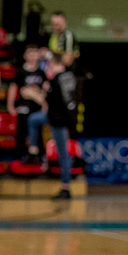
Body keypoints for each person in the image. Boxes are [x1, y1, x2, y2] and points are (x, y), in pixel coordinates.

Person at [44, 52, 78, 200]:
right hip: (62, 119)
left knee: (63, 153)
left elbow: (52, 100)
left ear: (53, 63)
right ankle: (35, 152)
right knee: (33, 120)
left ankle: (65, 187)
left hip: (58, 121)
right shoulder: (68, 77)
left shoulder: (57, 79)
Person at [9, 44, 48, 155]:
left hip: (37, 107)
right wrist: (10, 105)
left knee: (38, 133)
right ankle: (20, 156)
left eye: (35, 52)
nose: (33, 55)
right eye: (30, 52)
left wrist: (36, 96)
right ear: (25, 55)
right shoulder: (20, 71)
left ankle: (38, 156)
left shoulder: (41, 72)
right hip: (23, 107)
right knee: (21, 132)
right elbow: (13, 88)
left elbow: (45, 89)